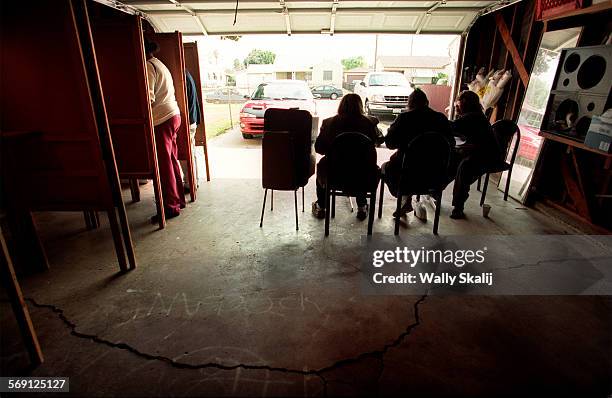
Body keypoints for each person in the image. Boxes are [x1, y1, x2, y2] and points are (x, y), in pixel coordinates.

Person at [312, 93, 384, 221]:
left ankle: (321, 206)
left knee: (322, 165)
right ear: (360, 106)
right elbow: (379, 141)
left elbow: (319, 149)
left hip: (335, 174)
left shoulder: (328, 123)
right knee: (362, 164)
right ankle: (362, 206)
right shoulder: (370, 122)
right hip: (363, 175)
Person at [381, 89, 452, 217]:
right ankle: (425, 194)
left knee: (386, 167)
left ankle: (404, 198)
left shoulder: (404, 118)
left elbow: (390, 144)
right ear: (427, 103)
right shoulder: (440, 118)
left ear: (409, 104)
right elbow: (451, 144)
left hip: (407, 174)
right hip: (435, 174)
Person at [145, 39, 185, 222]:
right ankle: (178, 200)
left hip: (161, 118)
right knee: (171, 159)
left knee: (163, 164)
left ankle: (170, 206)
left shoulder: (147, 66)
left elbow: (148, 97)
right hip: (172, 114)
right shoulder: (159, 63)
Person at [448, 90, 503, 219]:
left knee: (464, 167)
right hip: (480, 152)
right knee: (454, 159)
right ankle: (438, 189)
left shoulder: (472, 117)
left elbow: (452, 127)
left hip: (487, 157)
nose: (457, 105)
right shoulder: (476, 115)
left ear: (465, 103)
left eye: (459, 102)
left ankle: (458, 207)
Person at [180, 70, 201, 192]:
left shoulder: (182, 77)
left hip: (188, 120)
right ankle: (193, 181)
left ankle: (190, 182)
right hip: (192, 118)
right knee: (190, 152)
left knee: (185, 153)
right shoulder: (187, 74)